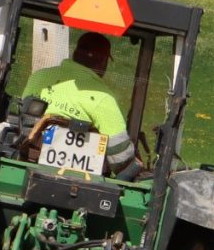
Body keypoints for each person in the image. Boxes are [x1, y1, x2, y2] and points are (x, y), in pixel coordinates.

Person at [20, 31, 135, 171]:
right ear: (103, 61)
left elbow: (23, 116)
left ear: (75, 53)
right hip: (81, 178)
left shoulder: (40, 77)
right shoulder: (104, 96)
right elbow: (120, 155)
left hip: (29, 159)